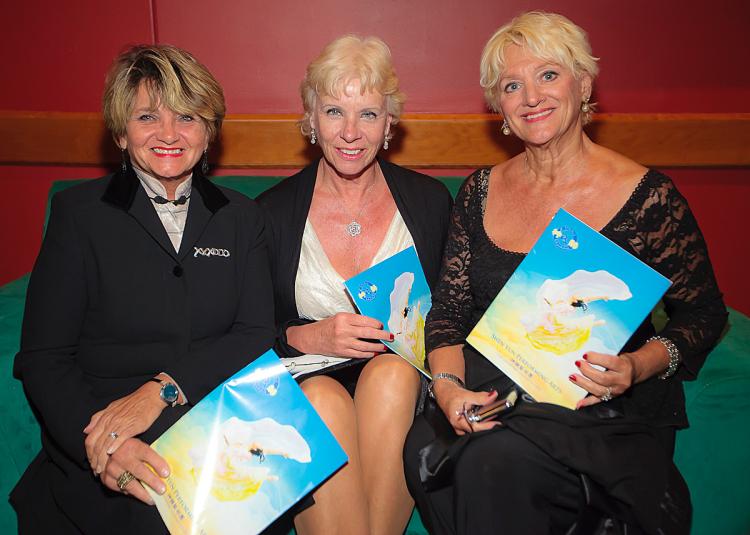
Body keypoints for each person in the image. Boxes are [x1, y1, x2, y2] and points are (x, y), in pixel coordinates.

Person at [403, 11, 728, 535]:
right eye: (513, 85)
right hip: (493, 392)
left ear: (583, 84)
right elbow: (448, 314)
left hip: (597, 405)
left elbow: (706, 312)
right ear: (500, 109)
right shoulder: (478, 192)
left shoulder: (647, 196)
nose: (531, 96)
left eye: (548, 75)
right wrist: (446, 389)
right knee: (429, 445)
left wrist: (639, 366)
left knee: (493, 460)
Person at [11, 45, 275, 534]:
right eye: (148, 116)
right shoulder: (79, 216)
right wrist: (107, 444)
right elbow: (44, 358)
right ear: (120, 131)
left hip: (218, 433)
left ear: (209, 131)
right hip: (104, 436)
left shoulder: (243, 218)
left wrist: (163, 388)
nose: (169, 135)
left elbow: (256, 333)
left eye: (188, 117)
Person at [257, 35, 452, 535]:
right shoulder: (269, 214)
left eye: (367, 114)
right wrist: (307, 336)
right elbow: (245, 328)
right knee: (322, 397)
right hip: (306, 380)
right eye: (333, 111)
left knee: (393, 376)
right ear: (311, 119)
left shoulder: (430, 203)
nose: (350, 132)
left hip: (402, 386)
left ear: (389, 124)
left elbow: (457, 309)